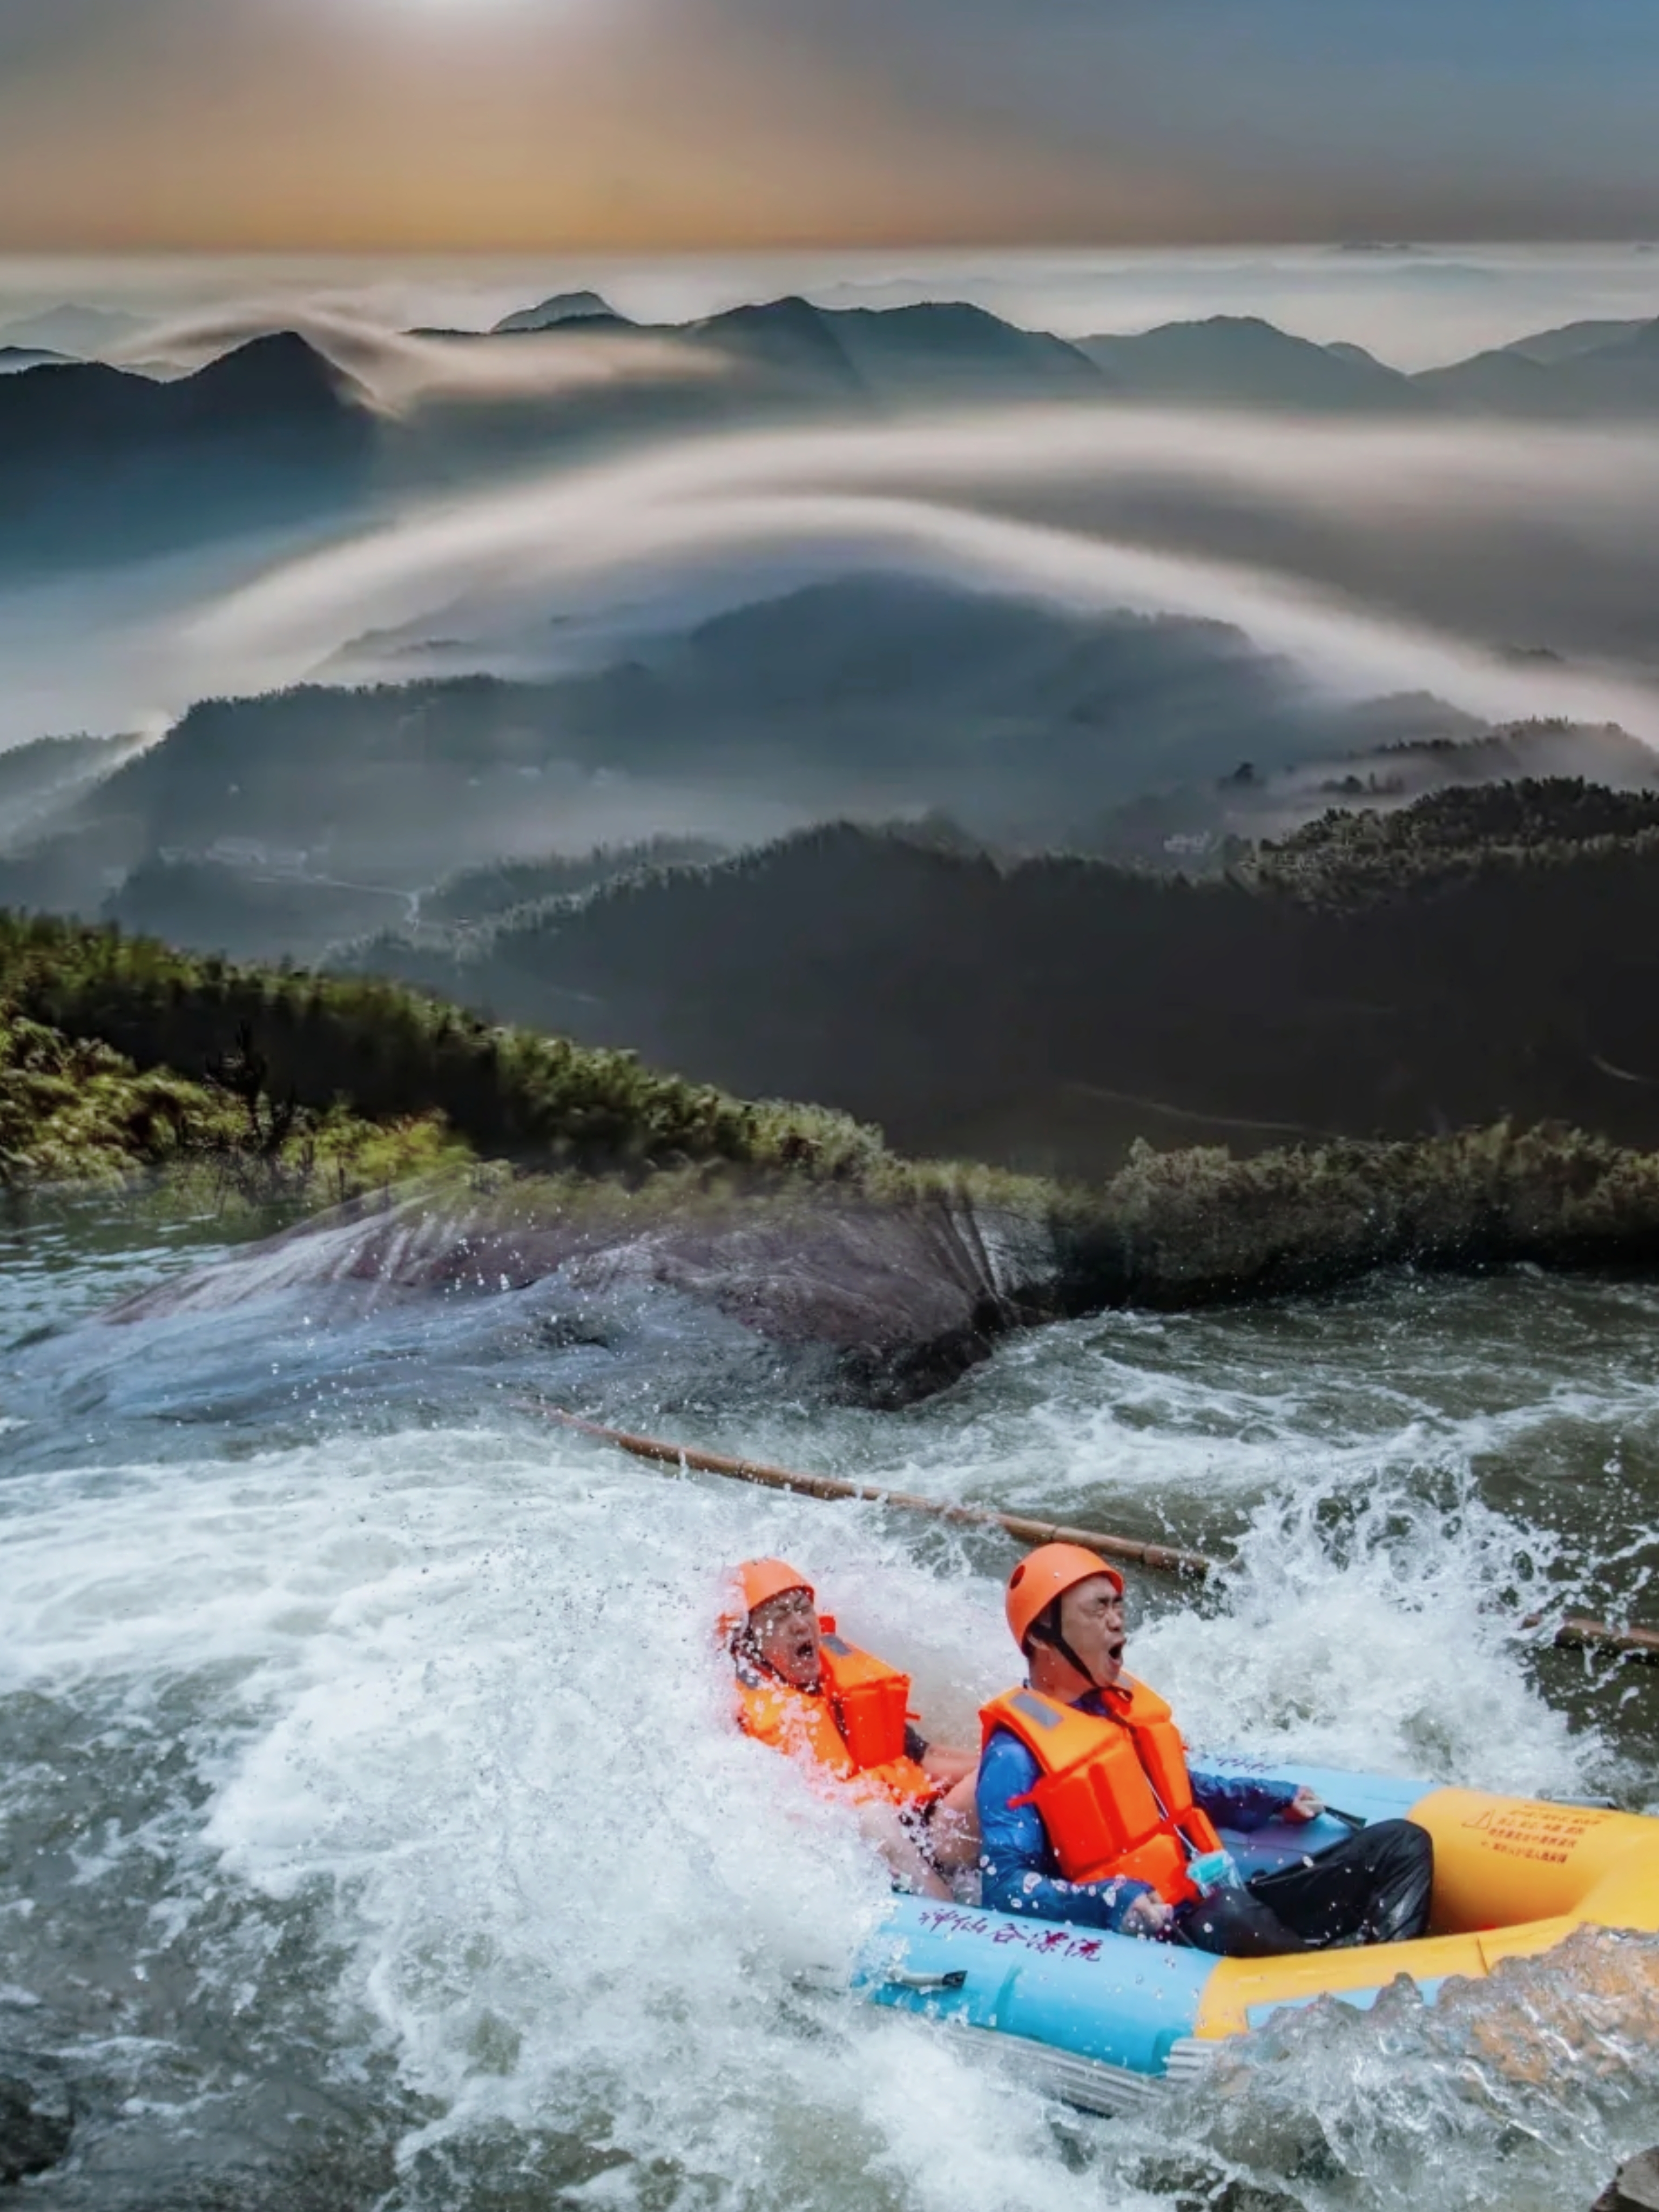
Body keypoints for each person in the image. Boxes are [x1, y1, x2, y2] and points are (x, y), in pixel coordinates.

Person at [977, 1543, 1434, 1956]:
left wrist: (1271, 1797)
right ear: (1041, 1635)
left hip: (1217, 1901)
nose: (1117, 1621)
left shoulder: (1115, 1709)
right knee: (1230, 1913)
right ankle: (1329, 1983)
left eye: (1118, 1604)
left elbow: (1177, 1790)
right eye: (1098, 1608)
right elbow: (1005, 1888)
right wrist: (1110, 1900)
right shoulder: (1014, 1756)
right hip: (1161, 1938)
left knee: (1402, 1843)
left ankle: (1387, 1971)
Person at [725, 1557, 980, 1901]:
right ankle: (944, 1912)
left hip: (926, 1832)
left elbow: (925, 1757)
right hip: (856, 1855)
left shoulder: (846, 1680)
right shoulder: (740, 1710)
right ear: (750, 1643)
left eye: (803, 1609)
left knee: (999, 1772)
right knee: (872, 1813)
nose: (799, 1624)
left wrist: (993, 1766)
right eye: (780, 1616)